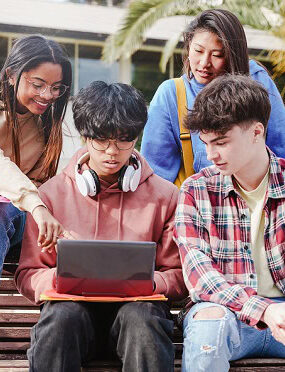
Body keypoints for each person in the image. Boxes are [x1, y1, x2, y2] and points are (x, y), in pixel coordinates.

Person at [15, 81, 187, 372]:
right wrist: (56, 279)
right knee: (60, 318)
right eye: (102, 140)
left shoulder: (166, 197)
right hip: (72, 316)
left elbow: (181, 275)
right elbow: (28, 273)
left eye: (124, 140)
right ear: (85, 135)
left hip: (138, 316)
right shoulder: (50, 196)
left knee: (142, 318)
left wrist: (153, 283)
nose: (112, 151)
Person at [174, 73, 285, 372]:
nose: (211, 155)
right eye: (206, 143)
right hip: (227, 312)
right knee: (208, 323)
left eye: (221, 142)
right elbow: (200, 277)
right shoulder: (196, 189)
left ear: (256, 132)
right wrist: (264, 309)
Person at [141, 8, 285, 183]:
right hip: (200, 203)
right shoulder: (171, 94)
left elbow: (280, 148)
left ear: (234, 55)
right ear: (188, 47)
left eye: (217, 55)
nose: (204, 63)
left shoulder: (257, 79)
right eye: (198, 51)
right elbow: (156, 175)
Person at [0, 34, 72, 271]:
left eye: (56, 88)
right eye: (38, 85)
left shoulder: (47, 125)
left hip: (16, 218)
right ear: (11, 75)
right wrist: (35, 204)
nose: (47, 95)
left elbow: (44, 182)